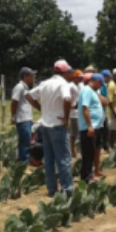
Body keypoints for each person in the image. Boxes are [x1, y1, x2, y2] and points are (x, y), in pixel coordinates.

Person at [26, 60, 75, 197]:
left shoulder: (45, 83)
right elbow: (67, 100)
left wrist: (41, 109)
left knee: (48, 159)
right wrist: (66, 117)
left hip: (45, 125)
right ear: (64, 72)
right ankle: (67, 190)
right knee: (63, 159)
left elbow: (28, 96)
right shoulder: (63, 84)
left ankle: (51, 190)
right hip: (58, 125)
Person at [78, 73, 105, 183]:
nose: (101, 86)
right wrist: (89, 126)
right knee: (88, 153)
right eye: (100, 84)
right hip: (89, 127)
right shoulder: (87, 91)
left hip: (96, 126)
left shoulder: (94, 91)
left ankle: (90, 174)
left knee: (92, 151)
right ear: (96, 81)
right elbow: (85, 108)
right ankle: (85, 177)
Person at [11, 67, 36, 163]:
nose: (33, 77)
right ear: (25, 76)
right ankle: (24, 161)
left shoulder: (25, 88)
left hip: (27, 118)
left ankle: (22, 158)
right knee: (25, 141)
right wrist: (13, 117)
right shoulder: (19, 87)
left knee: (25, 140)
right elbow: (14, 102)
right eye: (31, 75)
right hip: (22, 118)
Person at [68, 70, 84, 159]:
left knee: (76, 133)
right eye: (79, 77)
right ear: (75, 77)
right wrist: (73, 106)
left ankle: (75, 151)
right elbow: (67, 99)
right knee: (75, 134)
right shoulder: (70, 86)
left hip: (80, 112)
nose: (81, 79)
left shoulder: (81, 85)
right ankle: (73, 150)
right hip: (74, 113)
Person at [98, 69, 111, 152]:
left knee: (106, 129)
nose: (109, 78)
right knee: (102, 129)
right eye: (108, 76)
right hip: (100, 110)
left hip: (104, 111)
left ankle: (105, 145)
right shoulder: (101, 86)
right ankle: (102, 145)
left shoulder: (106, 85)